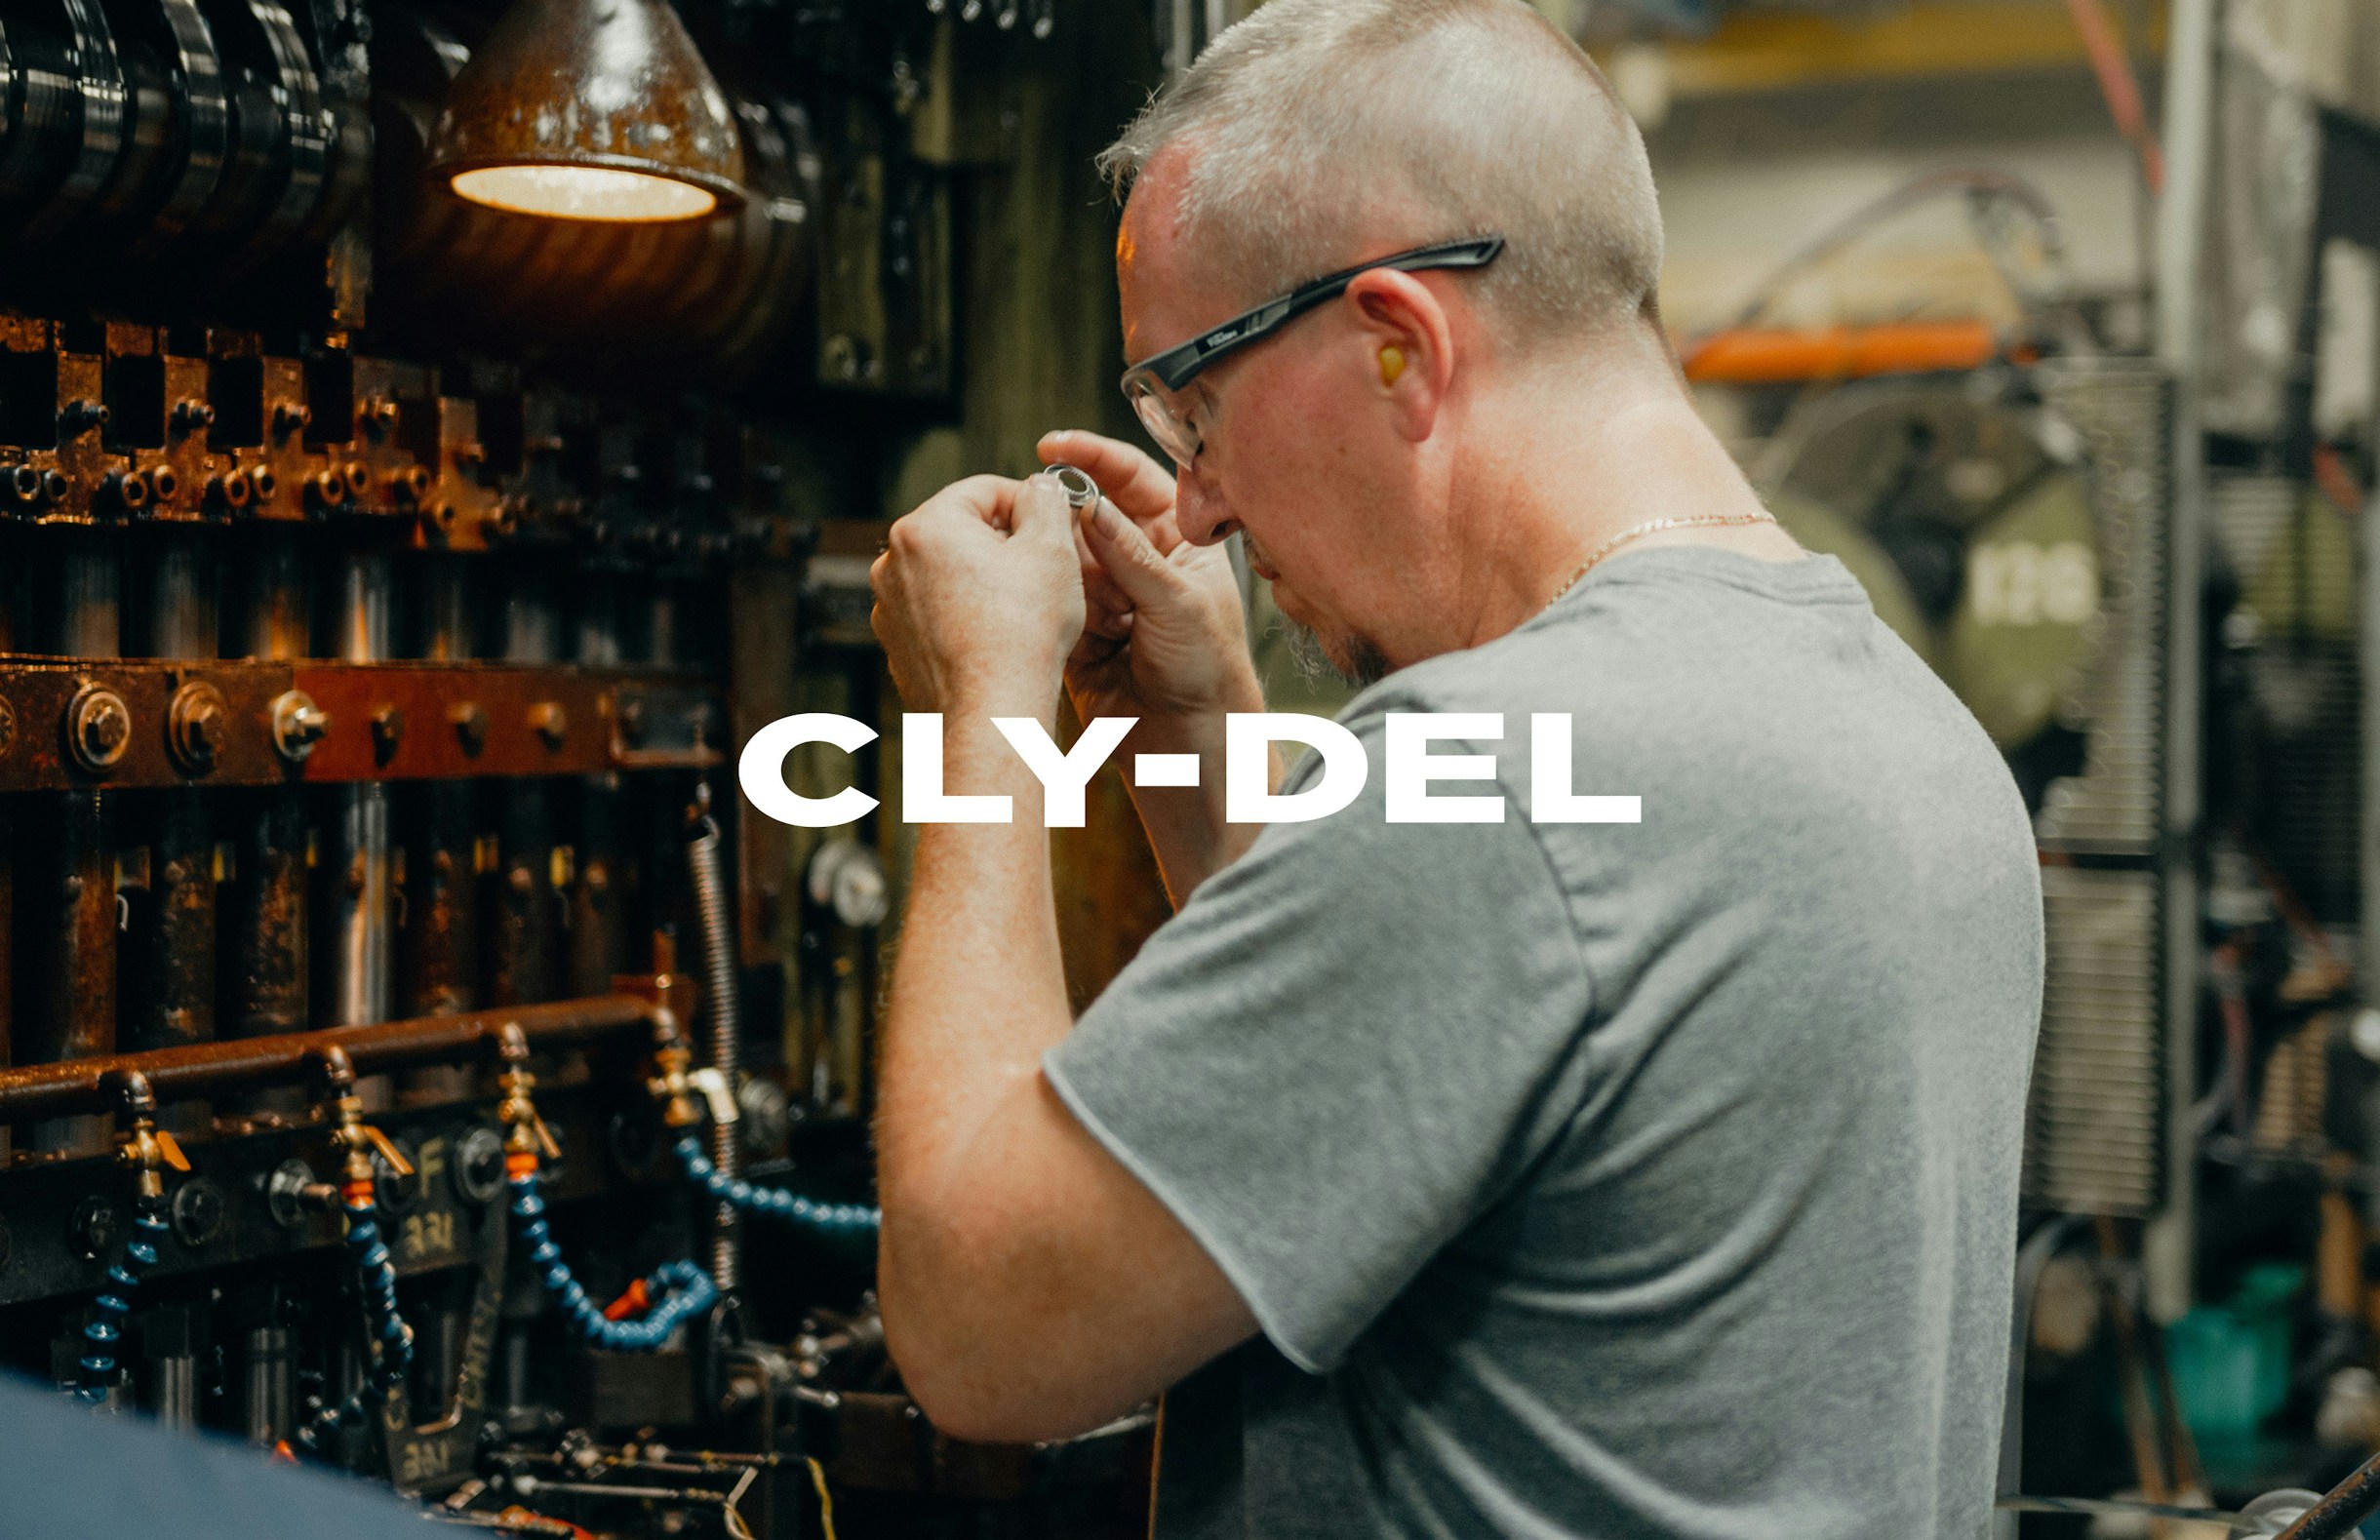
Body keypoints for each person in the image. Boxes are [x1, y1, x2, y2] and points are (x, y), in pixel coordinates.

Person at [861, 1, 2044, 1535]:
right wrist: (1204, 729)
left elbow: (978, 1326)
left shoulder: (1501, 788)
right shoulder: (1902, 723)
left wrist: (984, 716)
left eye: (1196, 404)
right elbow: (1429, 1092)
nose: (1201, 506)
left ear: (1395, 346)